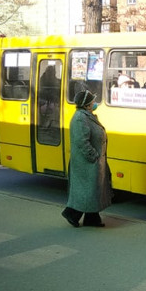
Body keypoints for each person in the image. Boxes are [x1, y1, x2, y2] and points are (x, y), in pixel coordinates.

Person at [61, 90, 112, 228]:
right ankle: (71, 214)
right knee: (88, 191)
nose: (94, 103)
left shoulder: (86, 116)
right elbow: (82, 141)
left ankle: (92, 218)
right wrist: (93, 156)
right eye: (92, 102)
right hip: (86, 163)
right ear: (87, 105)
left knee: (93, 190)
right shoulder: (79, 118)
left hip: (91, 162)